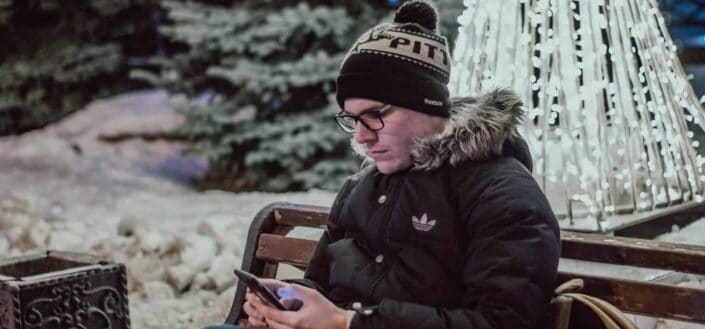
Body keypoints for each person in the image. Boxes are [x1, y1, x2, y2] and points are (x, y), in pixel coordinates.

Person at [210, 1, 560, 328]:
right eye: (352, 120)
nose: (361, 137)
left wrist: (346, 323)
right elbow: (321, 282)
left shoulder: (502, 193)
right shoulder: (360, 187)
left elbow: (499, 322)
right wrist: (286, 304)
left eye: (375, 115)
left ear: (427, 105)